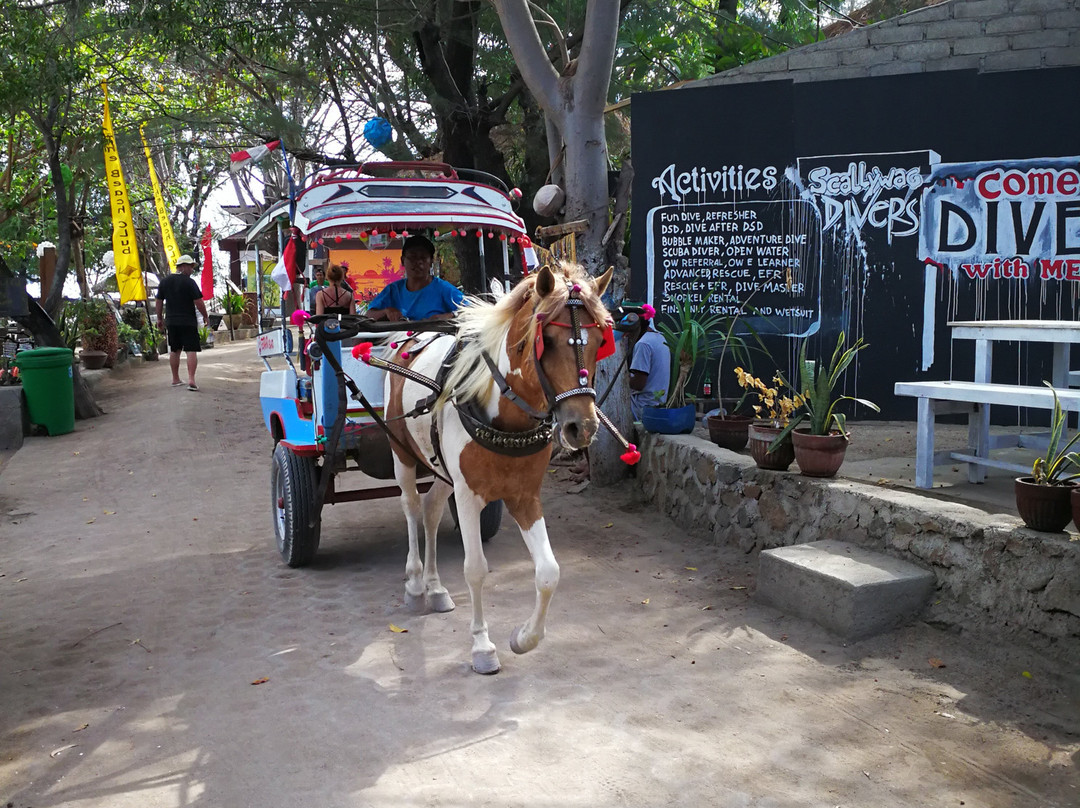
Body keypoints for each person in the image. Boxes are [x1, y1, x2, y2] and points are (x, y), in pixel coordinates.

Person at [366, 235, 463, 322]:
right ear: (402, 260)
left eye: (423, 258)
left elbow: (470, 312)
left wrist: (448, 316)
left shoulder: (444, 289)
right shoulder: (392, 290)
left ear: (431, 262)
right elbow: (369, 315)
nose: (418, 262)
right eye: (413, 257)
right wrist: (386, 312)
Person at [155, 254, 209, 391]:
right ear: (183, 267)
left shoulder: (165, 281)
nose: (192, 270)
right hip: (188, 321)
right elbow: (198, 302)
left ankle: (175, 379)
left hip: (172, 321)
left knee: (175, 349)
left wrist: (160, 318)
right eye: (190, 267)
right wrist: (205, 316)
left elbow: (159, 301)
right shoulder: (189, 282)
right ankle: (191, 379)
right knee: (191, 349)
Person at [628, 317, 671, 420]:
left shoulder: (643, 344)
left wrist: (624, 379)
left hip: (642, 406)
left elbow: (638, 384)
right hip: (658, 404)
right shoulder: (661, 339)